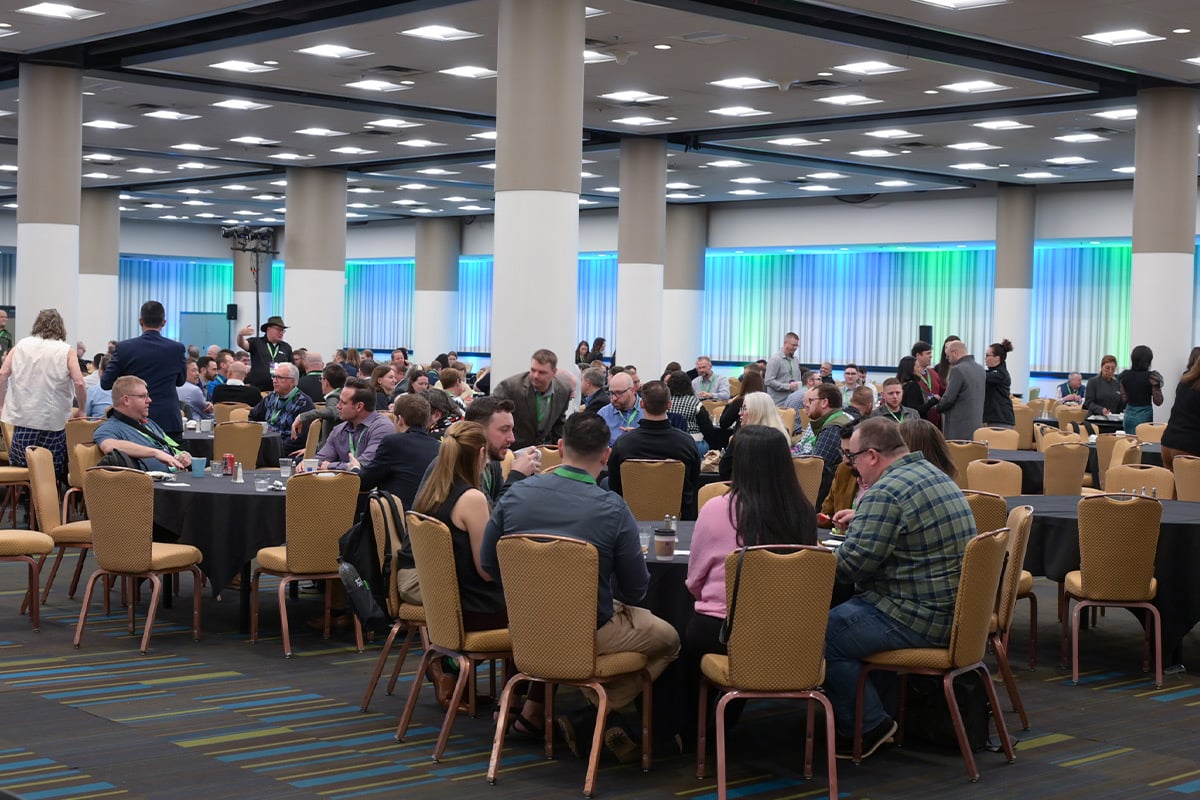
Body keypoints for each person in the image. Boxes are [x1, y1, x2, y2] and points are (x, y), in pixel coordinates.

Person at [480, 412, 680, 759]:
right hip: (592, 631)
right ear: (606, 455)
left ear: (560, 447)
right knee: (672, 641)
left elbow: (488, 562)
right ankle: (599, 710)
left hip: (524, 628)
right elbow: (635, 592)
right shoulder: (614, 509)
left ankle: (590, 710)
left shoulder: (514, 496)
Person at [824, 417, 976, 759]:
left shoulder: (887, 491)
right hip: (955, 613)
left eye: (854, 459)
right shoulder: (933, 475)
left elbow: (850, 567)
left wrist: (814, 558)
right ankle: (878, 714)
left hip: (918, 616)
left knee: (821, 634)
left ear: (873, 455)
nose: (852, 468)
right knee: (851, 617)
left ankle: (869, 725)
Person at [685, 425, 818, 739]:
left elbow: (694, 580)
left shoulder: (717, 509)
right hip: (789, 631)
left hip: (724, 631)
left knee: (685, 633)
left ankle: (694, 730)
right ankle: (723, 717)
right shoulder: (803, 512)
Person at [0, 308, 87, 476]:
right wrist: (82, 409)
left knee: (23, 466)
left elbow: (3, 374)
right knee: (50, 469)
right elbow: (79, 382)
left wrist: (1, 404)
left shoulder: (21, 345)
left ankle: (26, 497)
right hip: (53, 422)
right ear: (60, 327)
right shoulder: (66, 350)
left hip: (24, 419)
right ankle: (47, 499)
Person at [609, 380, 702, 520]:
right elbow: (693, 482)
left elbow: (615, 486)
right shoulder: (686, 443)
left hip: (630, 519)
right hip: (678, 519)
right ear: (669, 405)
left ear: (641, 404)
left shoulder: (623, 444)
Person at [102, 301, 188, 438]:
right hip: (168, 420)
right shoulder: (176, 348)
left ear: (140, 321)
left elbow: (105, 383)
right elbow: (181, 381)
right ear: (164, 322)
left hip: (132, 422)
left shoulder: (124, 348)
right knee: (175, 458)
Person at [355, 393, 441, 510]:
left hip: (396, 518)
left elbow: (365, 483)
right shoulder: (439, 447)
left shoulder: (393, 442)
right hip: (425, 519)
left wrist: (355, 468)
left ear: (400, 420)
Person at [94, 376, 193, 473]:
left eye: (148, 396)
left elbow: (171, 445)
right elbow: (109, 446)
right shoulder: (109, 428)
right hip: (151, 487)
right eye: (142, 396)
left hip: (178, 477)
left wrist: (184, 455)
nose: (149, 400)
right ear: (126, 400)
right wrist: (155, 453)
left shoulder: (149, 423)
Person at [491, 349, 572, 449]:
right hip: (511, 449)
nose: (535, 376)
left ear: (554, 372)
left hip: (542, 450)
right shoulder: (510, 387)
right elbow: (491, 417)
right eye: (533, 370)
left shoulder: (563, 390)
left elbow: (559, 423)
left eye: (542, 372)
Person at [314, 378, 394, 471]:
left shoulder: (382, 428)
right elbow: (319, 461)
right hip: (342, 484)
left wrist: (331, 466)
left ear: (359, 406)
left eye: (343, 403)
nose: (338, 406)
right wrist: (307, 464)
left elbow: (365, 464)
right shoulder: (339, 429)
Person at [795, 383, 853, 506]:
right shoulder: (835, 419)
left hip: (822, 497)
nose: (807, 404)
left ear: (824, 402)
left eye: (811, 400)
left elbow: (814, 468)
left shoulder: (832, 428)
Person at [249, 362, 314, 454]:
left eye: (280, 378)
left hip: (284, 450)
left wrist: (275, 448)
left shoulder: (303, 403)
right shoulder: (271, 397)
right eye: (274, 377)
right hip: (264, 444)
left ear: (292, 381)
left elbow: (300, 439)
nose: (274, 381)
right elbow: (253, 416)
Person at [936, 340, 984, 441]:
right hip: (976, 425)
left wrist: (938, 407)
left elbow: (949, 398)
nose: (947, 360)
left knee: (956, 455)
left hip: (958, 427)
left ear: (955, 353)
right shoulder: (980, 369)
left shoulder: (957, 369)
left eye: (948, 356)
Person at [1161, 352, 1200, 469]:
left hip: (1168, 442)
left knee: (1171, 486)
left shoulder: (1184, 382)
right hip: (1189, 447)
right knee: (1189, 487)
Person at [236, 315, 293, 392]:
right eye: (278, 329)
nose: (281, 333)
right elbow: (242, 344)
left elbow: (292, 368)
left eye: (283, 330)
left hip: (279, 390)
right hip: (258, 389)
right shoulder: (256, 343)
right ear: (268, 329)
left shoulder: (286, 347)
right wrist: (240, 335)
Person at [1119, 345, 1163, 434]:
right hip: (1145, 416)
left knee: (1129, 443)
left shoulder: (1124, 376)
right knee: (1144, 444)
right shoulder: (1152, 377)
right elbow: (1158, 401)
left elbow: (1124, 399)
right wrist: (1156, 386)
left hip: (1129, 415)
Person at [664, 370, 708, 453]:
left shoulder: (666, 402)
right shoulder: (695, 402)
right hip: (694, 442)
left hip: (669, 441)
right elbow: (706, 427)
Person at [597, 371, 641, 446]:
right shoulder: (603, 414)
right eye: (611, 393)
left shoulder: (650, 410)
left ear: (632, 390)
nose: (614, 398)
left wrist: (641, 436)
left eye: (619, 393)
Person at [982, 339, 1016, 427]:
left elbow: (982, 376)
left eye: (987, 355)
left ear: (997, 358)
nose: (985, 358)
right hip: (994, 418)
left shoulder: (1000, 374)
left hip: (1001, 419)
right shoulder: (992, 372)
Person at [897, 355, 939, 423]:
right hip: (916, 424)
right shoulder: (913, 386)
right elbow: (916, 410)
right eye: (918, 367)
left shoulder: (901, 384)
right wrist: (933, 401)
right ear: (911, 369)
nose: (920, 369)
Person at [764, 332, 802, 405]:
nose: (795, 348)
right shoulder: (775, 359)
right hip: (778, 403)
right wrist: (787, 387)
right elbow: (768, 381)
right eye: (793, 345)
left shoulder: (795, 360)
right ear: (785, 343)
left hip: (792, 402)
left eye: (797, 345)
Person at [177, 358, 214, 422]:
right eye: (194, 371)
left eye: (197, 370)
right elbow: (208, 415)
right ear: (184, 372)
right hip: (196, 426)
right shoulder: (194, 390)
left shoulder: (175, 387)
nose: (197, 374)